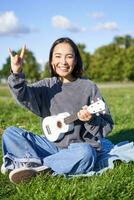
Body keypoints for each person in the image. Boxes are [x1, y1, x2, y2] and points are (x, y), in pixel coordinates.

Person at [1, 37, 113, 184]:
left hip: (77, 149)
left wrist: (91, 119)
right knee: (10, 132)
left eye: (69, 56)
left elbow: (107, 126)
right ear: (52, 60)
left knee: (87, 154)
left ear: (76, 60)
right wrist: (16, 73)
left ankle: (32, 164)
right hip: (50, 145)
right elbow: (24, 95)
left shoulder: (89, 87)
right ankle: (45, 165)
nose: (63, 62)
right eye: (58, 56)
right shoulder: (47, 85)